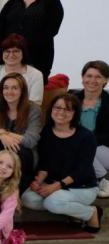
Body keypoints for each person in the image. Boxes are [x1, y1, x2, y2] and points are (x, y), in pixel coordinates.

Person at [23, 93, 102, 233]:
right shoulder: (46, 132)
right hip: (54, 184)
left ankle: (91, 212)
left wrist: (56, 186)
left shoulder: (86, 137)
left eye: (67, 109)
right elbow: (44, 163)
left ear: (75, 113)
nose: (61, 112)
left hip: (82, 187)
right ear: (51, 110)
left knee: (52, 202)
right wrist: (38, 181)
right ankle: (73, 212)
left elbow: (82, 171)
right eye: (57, 108)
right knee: (28, 198)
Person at [0, 0, 64, 82]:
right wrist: (10, 49)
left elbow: (52, 30)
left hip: (38, 54)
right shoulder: (12, 3)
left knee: (31, 88)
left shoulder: (52, 1)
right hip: (8, 55)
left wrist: (24, 48)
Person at [0, 73, 42, 191]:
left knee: (22, 151)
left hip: (25, 154)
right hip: (1, 153)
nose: (9, 91)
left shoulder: (33, 109)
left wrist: (4, 133)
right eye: (6, 87)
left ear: (22, 91)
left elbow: (30, 141)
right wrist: (2, 136)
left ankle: (15, 191)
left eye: (15, 88)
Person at [70, 60, 109, 197]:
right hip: (79, 149)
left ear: (106, 80)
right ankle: (101, 178)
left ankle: (102, 180)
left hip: (104, 150)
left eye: (98, 77)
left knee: (81, 146)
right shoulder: (71, 100)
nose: (93, 80)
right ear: (83, 78)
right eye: (89, 76)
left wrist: (86, 140)